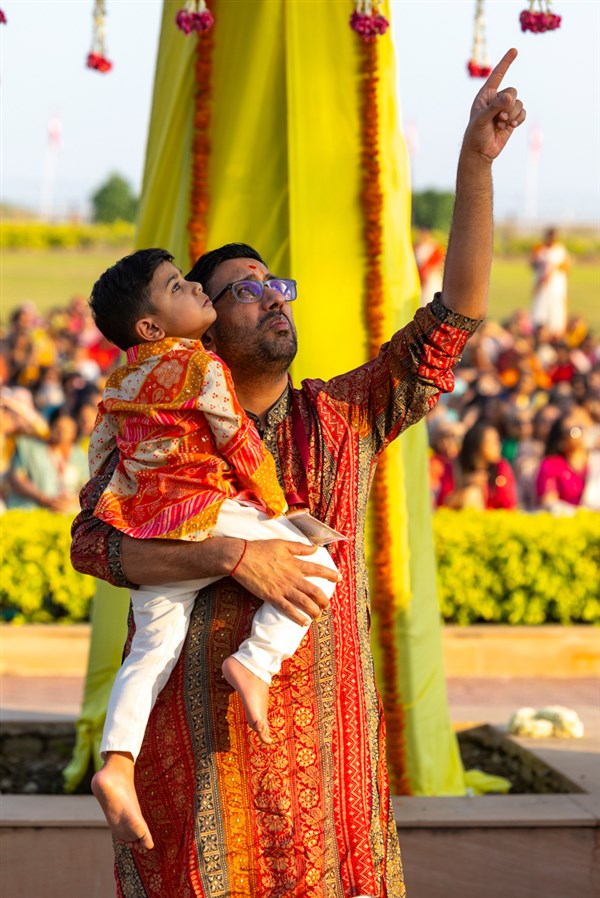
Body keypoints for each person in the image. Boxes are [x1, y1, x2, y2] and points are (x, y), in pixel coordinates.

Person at [71, 51, 525, 896]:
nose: (272, 295)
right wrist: (233, 556)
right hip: (193, 774)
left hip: (329, 776)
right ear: (199, 326)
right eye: (243, 290)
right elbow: (93, 546)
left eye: (274, 283)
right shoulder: (153, 427)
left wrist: (474, 162)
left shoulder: (343, 415)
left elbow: (455, 317)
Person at [87, 249, 340, 849]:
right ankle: (255, 663)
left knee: (149, 653)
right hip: (203, 508)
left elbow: (100, 455)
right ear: (152, 326)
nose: (195, 289)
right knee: (318, 565)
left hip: (143, 525)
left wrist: (116, 502)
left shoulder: (119, 381)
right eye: (178, 286)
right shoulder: (203, 368)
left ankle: (117, 763)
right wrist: (276, 509)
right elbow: (240, 444)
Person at [7, 406, 87, 512]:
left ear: (74, 432)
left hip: (70, 510)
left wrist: (71, 502)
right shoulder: (28, 448)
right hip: (33, 508)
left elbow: (86, 487)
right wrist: (42, 498)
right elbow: (17, 479)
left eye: (67, 430)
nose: (62, 433)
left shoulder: (80, 455)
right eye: (58, 428)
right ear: (50, 426)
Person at [437, 420, 518, 510]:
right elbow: (441, 504)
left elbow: (509, 504)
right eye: (493, 442)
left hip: (491, 517)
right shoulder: (454, 467)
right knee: (472, 493)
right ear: (477, 445)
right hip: (460, 516)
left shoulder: (501, 467)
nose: (498, 445)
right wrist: (467, 483)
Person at [530, 228, 571, 338]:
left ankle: (555, 331)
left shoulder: (560, 250)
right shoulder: (539, 248)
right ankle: (539, 330)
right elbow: (532, 264)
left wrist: (553, 269)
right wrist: (542, 266)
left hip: (556, 285)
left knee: (556, 307)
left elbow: (566, 267)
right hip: (542, 284)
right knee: (540, 306)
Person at [413, 227, 445, 306]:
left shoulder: (434, 248)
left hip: (430, 278)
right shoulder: (416, 247)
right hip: (418, 277)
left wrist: (428, 272)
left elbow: (438, 262)